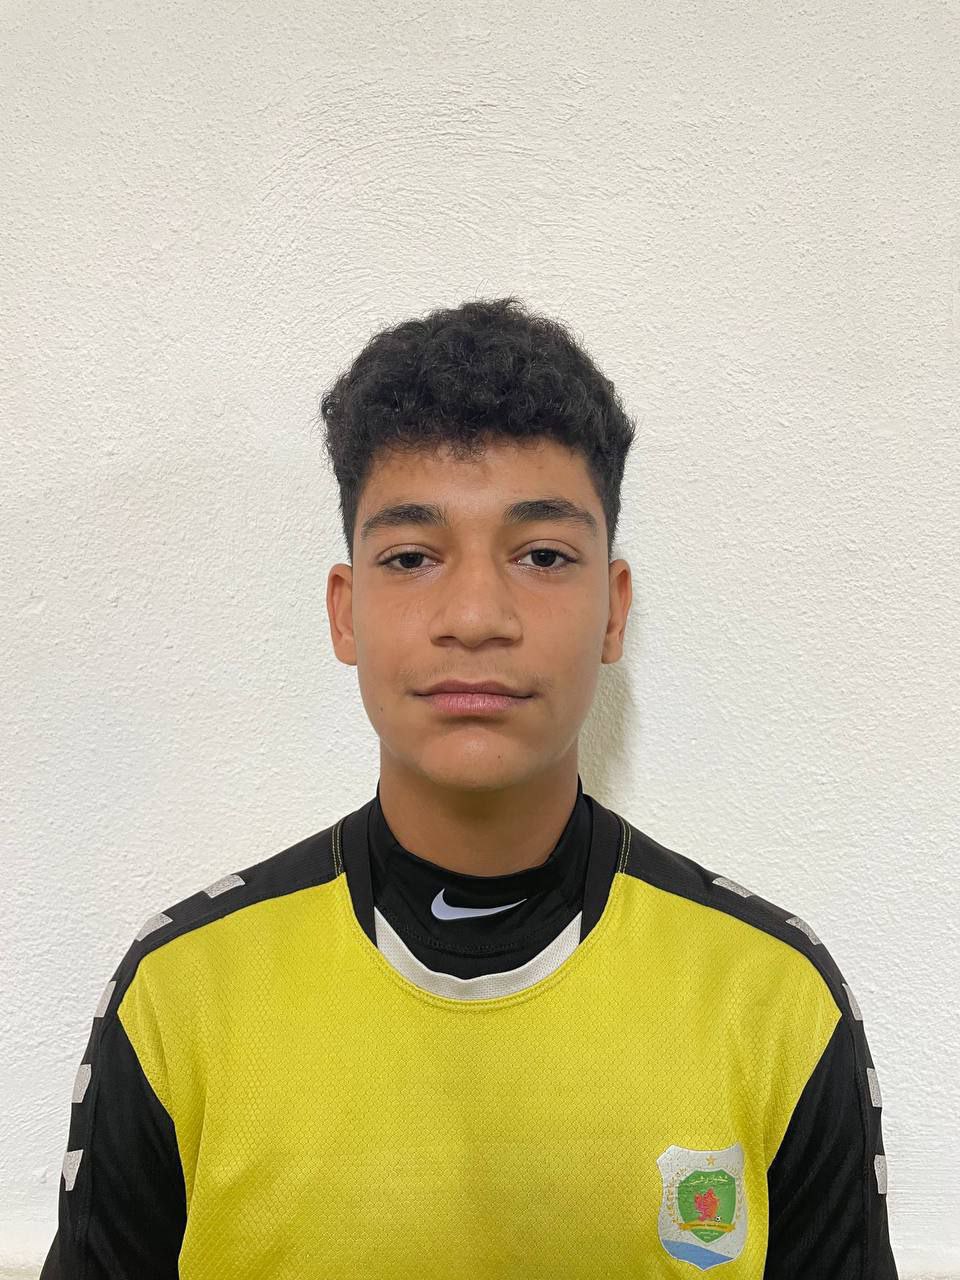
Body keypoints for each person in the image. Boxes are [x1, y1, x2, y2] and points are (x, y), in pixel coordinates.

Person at [40, 296, 898, 1278]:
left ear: (612, 610)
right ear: (346, 612)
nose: (477, 614)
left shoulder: (775, 1001)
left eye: (543, 556)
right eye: (411, 557)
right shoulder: (180, 997)